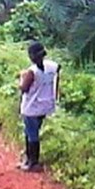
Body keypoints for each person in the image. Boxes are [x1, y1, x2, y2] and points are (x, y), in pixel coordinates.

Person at [18, 41, 59, 172]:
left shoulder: (32, 72)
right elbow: (58, 70)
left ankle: (33, 162)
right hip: (45, 104)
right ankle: (29, 159)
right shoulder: (52, 66)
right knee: (31, 132)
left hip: (31, 107)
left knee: (31, 134)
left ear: (31, 56)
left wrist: (21, 77)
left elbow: (24, 88)